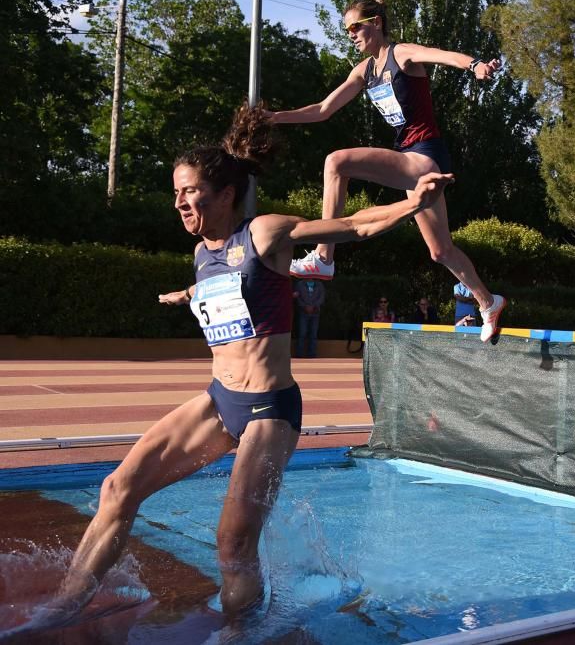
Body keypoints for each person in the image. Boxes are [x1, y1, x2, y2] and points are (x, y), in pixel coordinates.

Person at [37, 104, 451, 627]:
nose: (180, 201)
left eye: (189, 190)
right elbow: (221, 286)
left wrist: (410, 205)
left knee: (233, 542)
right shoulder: (200, 253)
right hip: (219, 398)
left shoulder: (264, 234)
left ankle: (240, 630)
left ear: (226, 193)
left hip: (268, 410)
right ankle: (62, 607)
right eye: (176, 192)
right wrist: (184, 293)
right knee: (117, 489)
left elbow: (351, 225)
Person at [265, 0, 506, 342]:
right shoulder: (364, 71)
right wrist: (275, 118)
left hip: (424, 156)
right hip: (410, 164)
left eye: (355, 27)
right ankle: (488, 302)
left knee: (336, 162)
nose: (351, 34)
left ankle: (323, 256)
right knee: (440, 251)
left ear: (376, 23)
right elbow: (322, 110)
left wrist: (475, 65)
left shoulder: (402, 53)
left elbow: (443, 55)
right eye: (346, 29)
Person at [293, 279, 325, 358]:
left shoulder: (319, 284)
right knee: (302, 333)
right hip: (303, 312)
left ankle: (312, 354)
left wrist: (314, 306)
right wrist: (304, 306)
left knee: (313, 334)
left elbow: (322, 297)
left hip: (315, 312)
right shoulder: (300, 284)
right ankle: (299, 354)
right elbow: (298, 298)